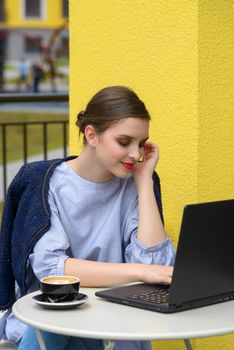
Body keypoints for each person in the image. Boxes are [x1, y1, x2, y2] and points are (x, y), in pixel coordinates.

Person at [0, 86, 175, 350]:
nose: (135, 154)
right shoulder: (44, 183)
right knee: (53, 322)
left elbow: (157, 264)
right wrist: (141, 272)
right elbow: (51, 269)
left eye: (140, 144)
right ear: (91, 135)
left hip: (116, 322)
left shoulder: (135, 185)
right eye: (124, 142)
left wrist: (144, 180)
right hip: (56, 325)